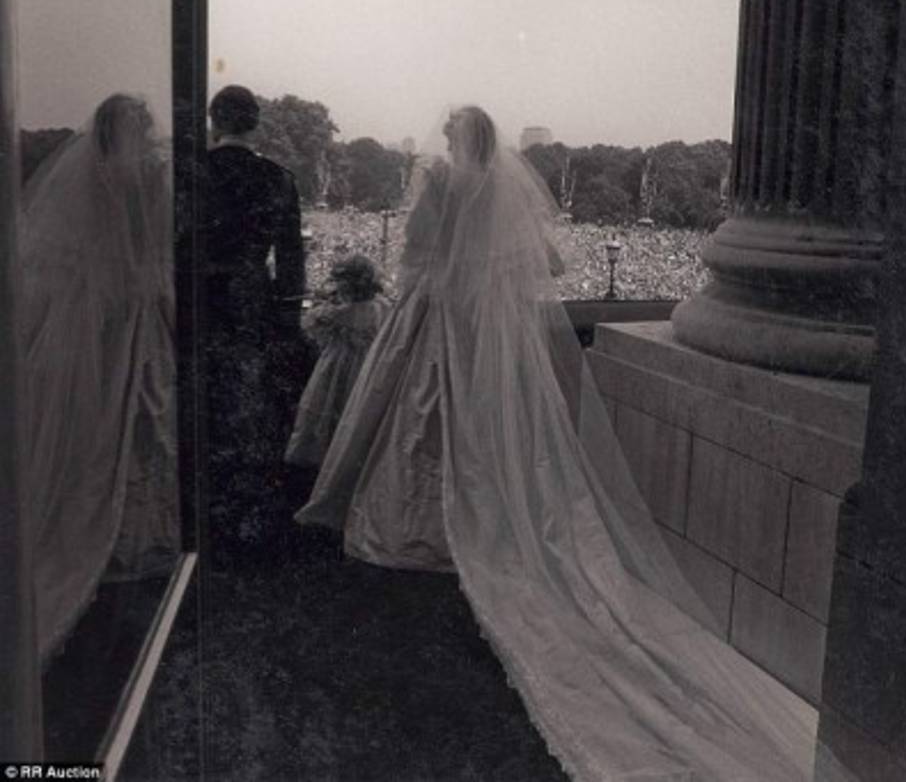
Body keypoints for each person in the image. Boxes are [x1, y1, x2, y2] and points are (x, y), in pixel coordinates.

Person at [298, 106, 849, 780]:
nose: (442, 142)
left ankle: (421, 522)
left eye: (447, 135)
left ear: (454, 142)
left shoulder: (440, 184)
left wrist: (440, 277)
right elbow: (549, 261)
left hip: (439, 315)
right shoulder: (497, 189)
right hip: (482, 328)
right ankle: (484, 517)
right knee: (482, 434)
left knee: (423, 428)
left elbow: (418, 252)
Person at [22, 94, 178, 662]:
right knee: (137, 411)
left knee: (87, 418)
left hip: (90, 308)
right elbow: (153, 255)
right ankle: (132, 531)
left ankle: (90, 521)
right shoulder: (151, 176)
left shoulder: (89, 173)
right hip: (132, 305)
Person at [200, 85, 306, 556]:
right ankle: (251, 514)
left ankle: (205, 511)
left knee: (202, 399)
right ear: (255, 123)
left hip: (198, 299)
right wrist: (288, 316)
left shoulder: (192, 174)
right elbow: (290, 257)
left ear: (214, 121)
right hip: (251, 298)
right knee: (252, 403)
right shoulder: (277, 178)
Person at [284, 254, 392, 474]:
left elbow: (310, 323)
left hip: (340, 365)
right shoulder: (382, 306)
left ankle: (327, 459)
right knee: (359, 409)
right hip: (371, 365)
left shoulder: (343, 312)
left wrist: (326, 302)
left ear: (349, 285)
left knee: (332, 403)